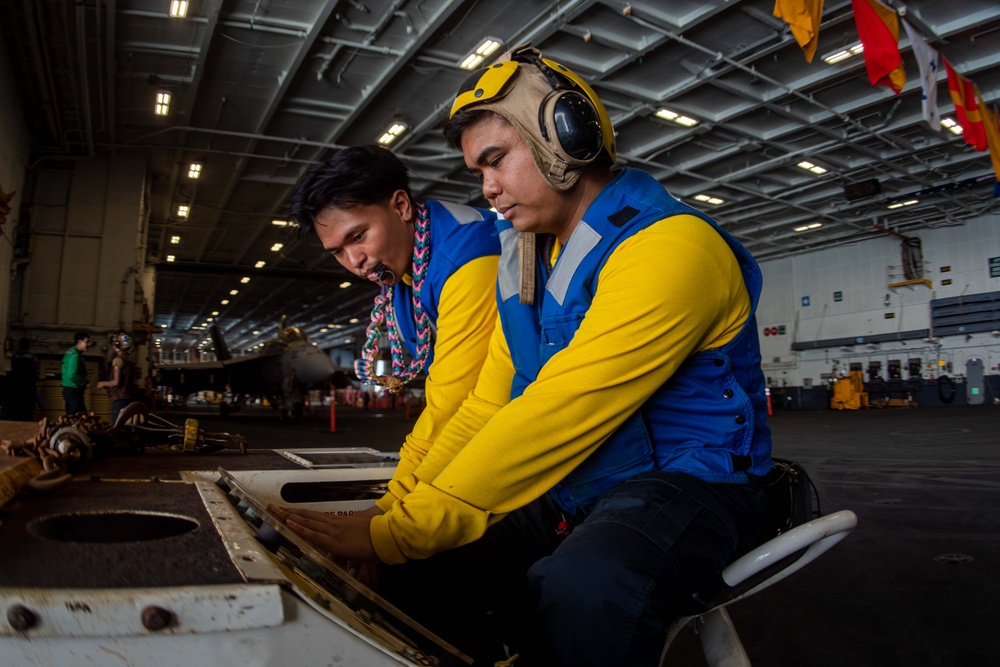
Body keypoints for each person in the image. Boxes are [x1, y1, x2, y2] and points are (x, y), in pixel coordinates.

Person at [274, 47, 775, 666]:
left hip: (695, 486)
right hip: (587, 487)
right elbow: (485, 403)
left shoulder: (672, 247)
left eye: (496, 160)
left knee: (586, 590)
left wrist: (400, 530)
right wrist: (395, 509)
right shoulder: (525, 265)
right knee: (423, 569)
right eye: (477, 171)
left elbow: (562, 407)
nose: (488, 188)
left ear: (566, 136)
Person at [287, 144, 502, 522]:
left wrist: (386, 510)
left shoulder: (467, 260)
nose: (354, 262)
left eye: (358, 236)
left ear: (401, 206)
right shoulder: (405, 274)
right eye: (337, 252)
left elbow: (453, 404)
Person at [97, 330, 135, 425]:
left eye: (115, 342)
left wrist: (102, 383)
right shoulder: (130, 361)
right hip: (128, 398)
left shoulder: (117, 361)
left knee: (116, 428)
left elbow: (116, 382)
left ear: (118, 344)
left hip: (118, 399)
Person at [8, 337, 41, 421]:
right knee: (28, 412)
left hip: (16, 388)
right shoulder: (33, 358)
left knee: (16, 411)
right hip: (28, 388)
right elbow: (36, 373)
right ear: (28, 346)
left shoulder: (14, 358)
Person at [61, 331, 91, 415]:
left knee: (74, 415)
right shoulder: (75, 355)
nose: (89, 344)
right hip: (73, 390)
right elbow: (72, 374)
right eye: (87, 342)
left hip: (69, 389)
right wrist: (84, 381)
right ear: (79, 342)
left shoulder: (70, 352)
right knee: (78, 416)